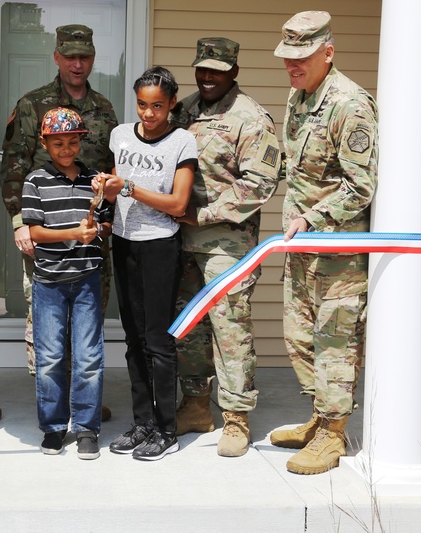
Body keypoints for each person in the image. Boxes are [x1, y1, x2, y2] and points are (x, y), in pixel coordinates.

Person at [272, 10, 379, 475]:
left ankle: (334, 435)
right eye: (287, 58)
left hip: (338, 252)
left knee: (335, 343)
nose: (292, 66)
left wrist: (311, 219)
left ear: (328, 53)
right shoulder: (298, 97)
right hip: (302, 250)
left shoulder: (350, 105)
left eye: (302, 58)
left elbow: (360, 188)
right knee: (299, 339)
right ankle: (319, 417)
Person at [172, 37, 281, 457]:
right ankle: (197, 405)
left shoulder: (251, 118)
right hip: (181, 242)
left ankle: (236, 417)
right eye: (202, 68)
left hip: (227, 246)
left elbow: (259, 185)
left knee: (230, 331)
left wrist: (203, 215)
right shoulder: (184, 110)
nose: (208, 76)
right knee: (189, 329)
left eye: (217, 69)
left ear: (233, 71)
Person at [0, 24, 118, 404]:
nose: (77, 64)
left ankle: (83, 396)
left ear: (93, 58)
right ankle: (53, 398)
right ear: (57, 57)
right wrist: (19, 223)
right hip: (46, 231)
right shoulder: (33, 104)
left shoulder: (104, 109)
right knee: (47, 319)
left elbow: (113, 171)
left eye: (84, 56)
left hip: (91, 235)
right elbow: (14, 168)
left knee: (87, 315)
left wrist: (108, 222)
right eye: (70, 56)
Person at [95, 67, 197, 461]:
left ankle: (166, 429)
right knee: (133, 339)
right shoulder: (120, 135)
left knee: (158, 341)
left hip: (159, 247)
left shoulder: (182, 141)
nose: (149, 113)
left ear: (172, 103)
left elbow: (178, 205)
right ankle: (142, 424)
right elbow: (114, 188)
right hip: (124, 244)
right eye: (142, 104)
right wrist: (103, 191)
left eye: (157, 105)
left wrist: (132, 189)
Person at [22, 107, 111, 460]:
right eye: (58, 142)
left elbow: (104, 223)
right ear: (45, 143)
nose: (66, 149)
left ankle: (87, 428)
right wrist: (74, 232)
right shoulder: (35, 181)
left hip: (87, 277)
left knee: (89, 356)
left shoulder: (92, 180)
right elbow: (34, 231)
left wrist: (97, 228)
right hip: (49, 282)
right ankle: (54, 427)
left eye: (73, 142)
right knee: (50, 356)